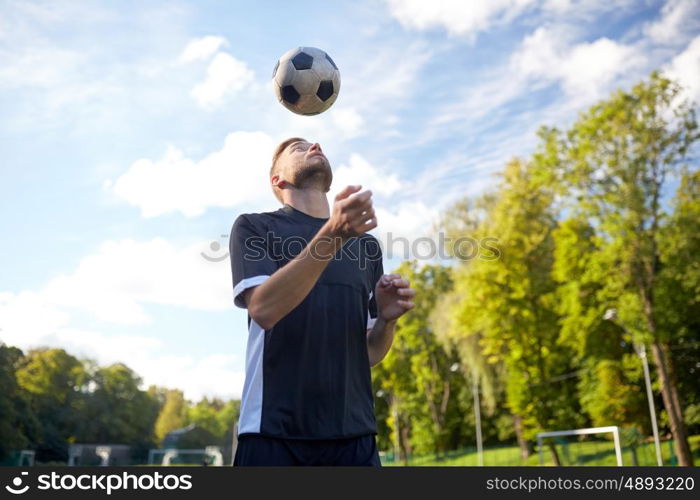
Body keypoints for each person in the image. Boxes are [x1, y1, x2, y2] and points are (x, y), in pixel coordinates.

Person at [229, 137, 416, 466]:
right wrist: (334, 235)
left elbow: (369, 353)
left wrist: (387, 321)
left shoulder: (366, 247)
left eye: (314, 144)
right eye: (297, 148)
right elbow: (264, 309)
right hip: (273, 433)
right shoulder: (254, 227)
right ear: (278, 179)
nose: (313, 145)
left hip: (354, 436)